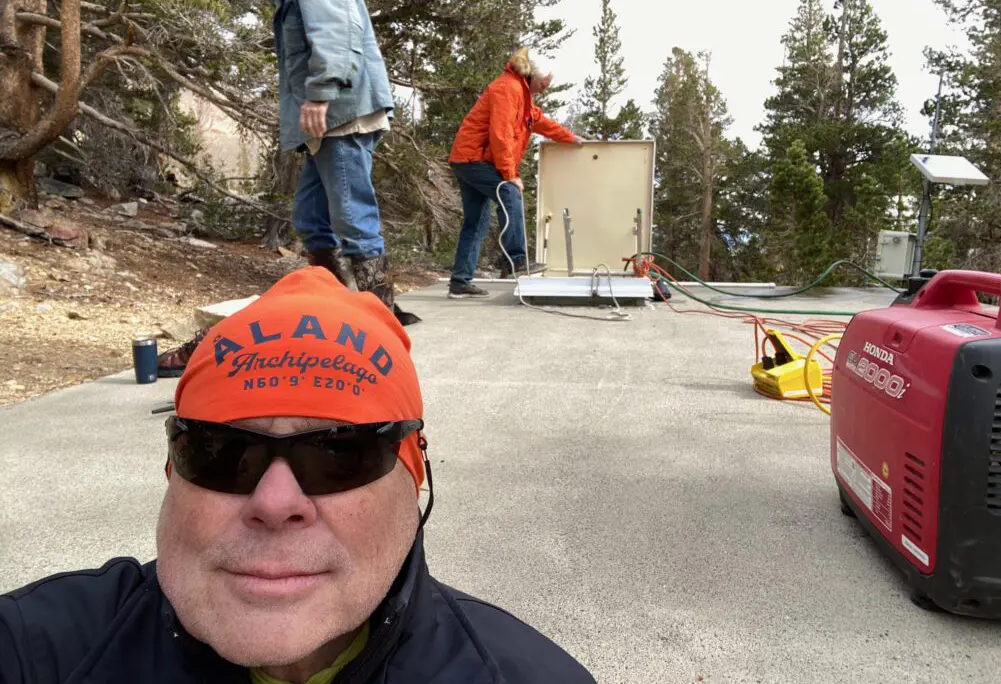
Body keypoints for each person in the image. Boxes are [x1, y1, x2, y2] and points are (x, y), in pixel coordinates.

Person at [0, 267, 597, 684]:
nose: (275, 499)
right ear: (172, 474)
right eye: (220, 451)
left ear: (415, 481)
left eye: (340, 454)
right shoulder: (40, 650)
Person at [156, 0, 419, 378]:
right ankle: (336, 306)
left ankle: (381, 321)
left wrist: (321, 91)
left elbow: (336, 29)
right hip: (328, 119)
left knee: (352, 217)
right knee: (310, 219)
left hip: (341, 112)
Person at [446, 48, 583, 299]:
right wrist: (509, 174)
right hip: (473, 158)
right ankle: (516, 260)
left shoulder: (524, 95)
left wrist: (570, 137)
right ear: (531, 75)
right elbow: (500, 135)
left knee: (476, 222)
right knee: (510, 191)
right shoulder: (508, 89)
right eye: (544, 83)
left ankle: (459, 282)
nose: (545, 88)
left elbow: (540, 122)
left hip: (469, 159)